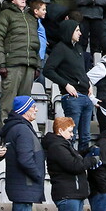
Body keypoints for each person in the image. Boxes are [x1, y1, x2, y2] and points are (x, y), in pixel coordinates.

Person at [44, 19, 96, 150]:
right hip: (72, 98)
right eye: (77, 30)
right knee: (70, 136)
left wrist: (88, 83)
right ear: (69, 31)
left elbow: (80, 70)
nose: (80, 33)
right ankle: (70, 163)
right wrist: (65, 84)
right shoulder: (60, 48)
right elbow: (48, 70)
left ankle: (82, 166)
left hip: (85, 96)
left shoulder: (78, 48)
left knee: (85, 137)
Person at [0, 0, 42, 120]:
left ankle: (21, 134)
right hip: (12, 65)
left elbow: (36, 44)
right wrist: (1, 64)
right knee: (8, 104)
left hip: (29, 65)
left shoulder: (31, 18)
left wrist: (37, 66)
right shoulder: (5, 14)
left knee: (25, 105)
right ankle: (6, 136)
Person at [0, 97, 45, 211]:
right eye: (33, 107)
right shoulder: (22, 129)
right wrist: (38, 175)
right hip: (25, 186)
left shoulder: (17, 127)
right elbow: (25, 159)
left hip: (22, 187)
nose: (36, 109)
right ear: (24, 109)